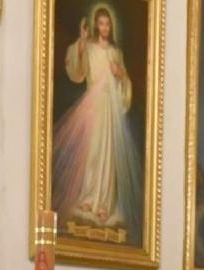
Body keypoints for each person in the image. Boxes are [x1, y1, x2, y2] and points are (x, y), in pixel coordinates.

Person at [52, 5, 143, 234]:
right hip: (93, 104)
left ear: (111, 26)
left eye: (107, 23)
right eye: (101, 23)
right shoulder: (90, 48)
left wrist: (121, 74)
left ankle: (104, 203)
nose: (104, 27)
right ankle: (89, 196)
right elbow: (78, 71)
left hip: (110, 107)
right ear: (96, 26)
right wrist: (81, 44)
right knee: (92, 151)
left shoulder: (116, 53)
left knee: (108, 155)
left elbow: (126, 85)